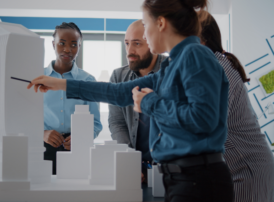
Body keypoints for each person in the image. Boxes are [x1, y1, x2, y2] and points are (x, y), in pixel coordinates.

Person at [28, 0, 234, 201]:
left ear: (160, 23)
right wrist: (60, 84)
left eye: (145, 25)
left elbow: (202, 118)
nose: (144, 33)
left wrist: (149, 103)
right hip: (180, 179)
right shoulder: (172, 66)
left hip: (198, 181)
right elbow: (117, 93)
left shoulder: (195, 55)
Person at [199, 11, 274, 202]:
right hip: (238, 166)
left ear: (202, 41)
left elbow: (208, 123)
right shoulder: (211, 66)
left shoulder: (217, 69)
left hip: (247, 168)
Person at [109, 19, 166, 183]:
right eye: (126, 43)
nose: (129, 51)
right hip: (134, 169)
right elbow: (117, 122)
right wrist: (130, 162)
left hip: (167, 167)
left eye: (137, 44)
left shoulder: (171, 71)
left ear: (152, 43)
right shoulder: (118, 76)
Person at [43, 22, 102, 175]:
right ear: (53, 44)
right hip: (43, 147)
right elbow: (24, 118)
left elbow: (96, 123)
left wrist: (82, 138)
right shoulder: (38, 78)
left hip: (77, 148)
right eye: (62, 43)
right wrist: (41, 133)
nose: (67, 49)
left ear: (79, 46)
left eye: (74, 44)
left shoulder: (88, 81)